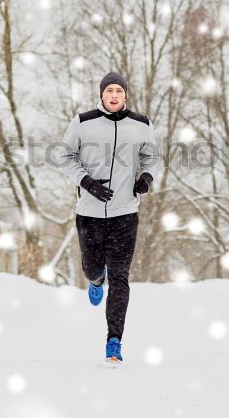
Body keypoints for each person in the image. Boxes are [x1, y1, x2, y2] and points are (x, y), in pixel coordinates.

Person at [59, 71, 159, 364]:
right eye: (108, 91)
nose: (114, 95)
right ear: (101, 95)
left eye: (119, 90)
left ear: (125, 95)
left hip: (125, 213)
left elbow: (150, 156)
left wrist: (147, 178)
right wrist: (87, 182)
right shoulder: (82, 122)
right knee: (92, 268)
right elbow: (65, 156)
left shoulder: (141, 124)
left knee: (120, 278)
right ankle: (94, 278)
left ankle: (114, 340)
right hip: (89, 212)